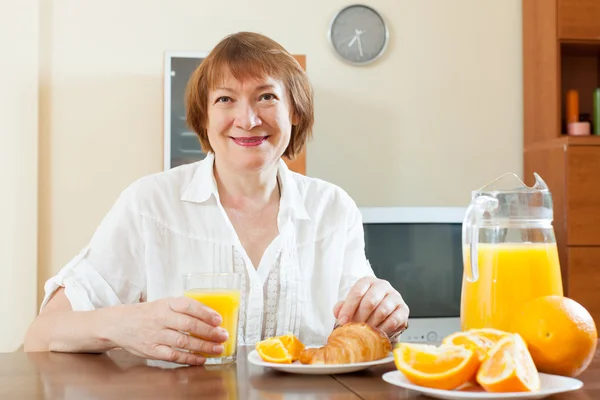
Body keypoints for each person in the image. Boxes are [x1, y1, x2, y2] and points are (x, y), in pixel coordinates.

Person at [24, 31, 409, 365]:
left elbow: (364, 329)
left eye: (266, 97)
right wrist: (125, 325)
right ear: (203, 117)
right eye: (225, 99)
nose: (248, 119)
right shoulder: (150, 203)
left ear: (294, 111)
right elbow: (42, 335)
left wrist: (384, 312)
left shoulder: (333, 209)